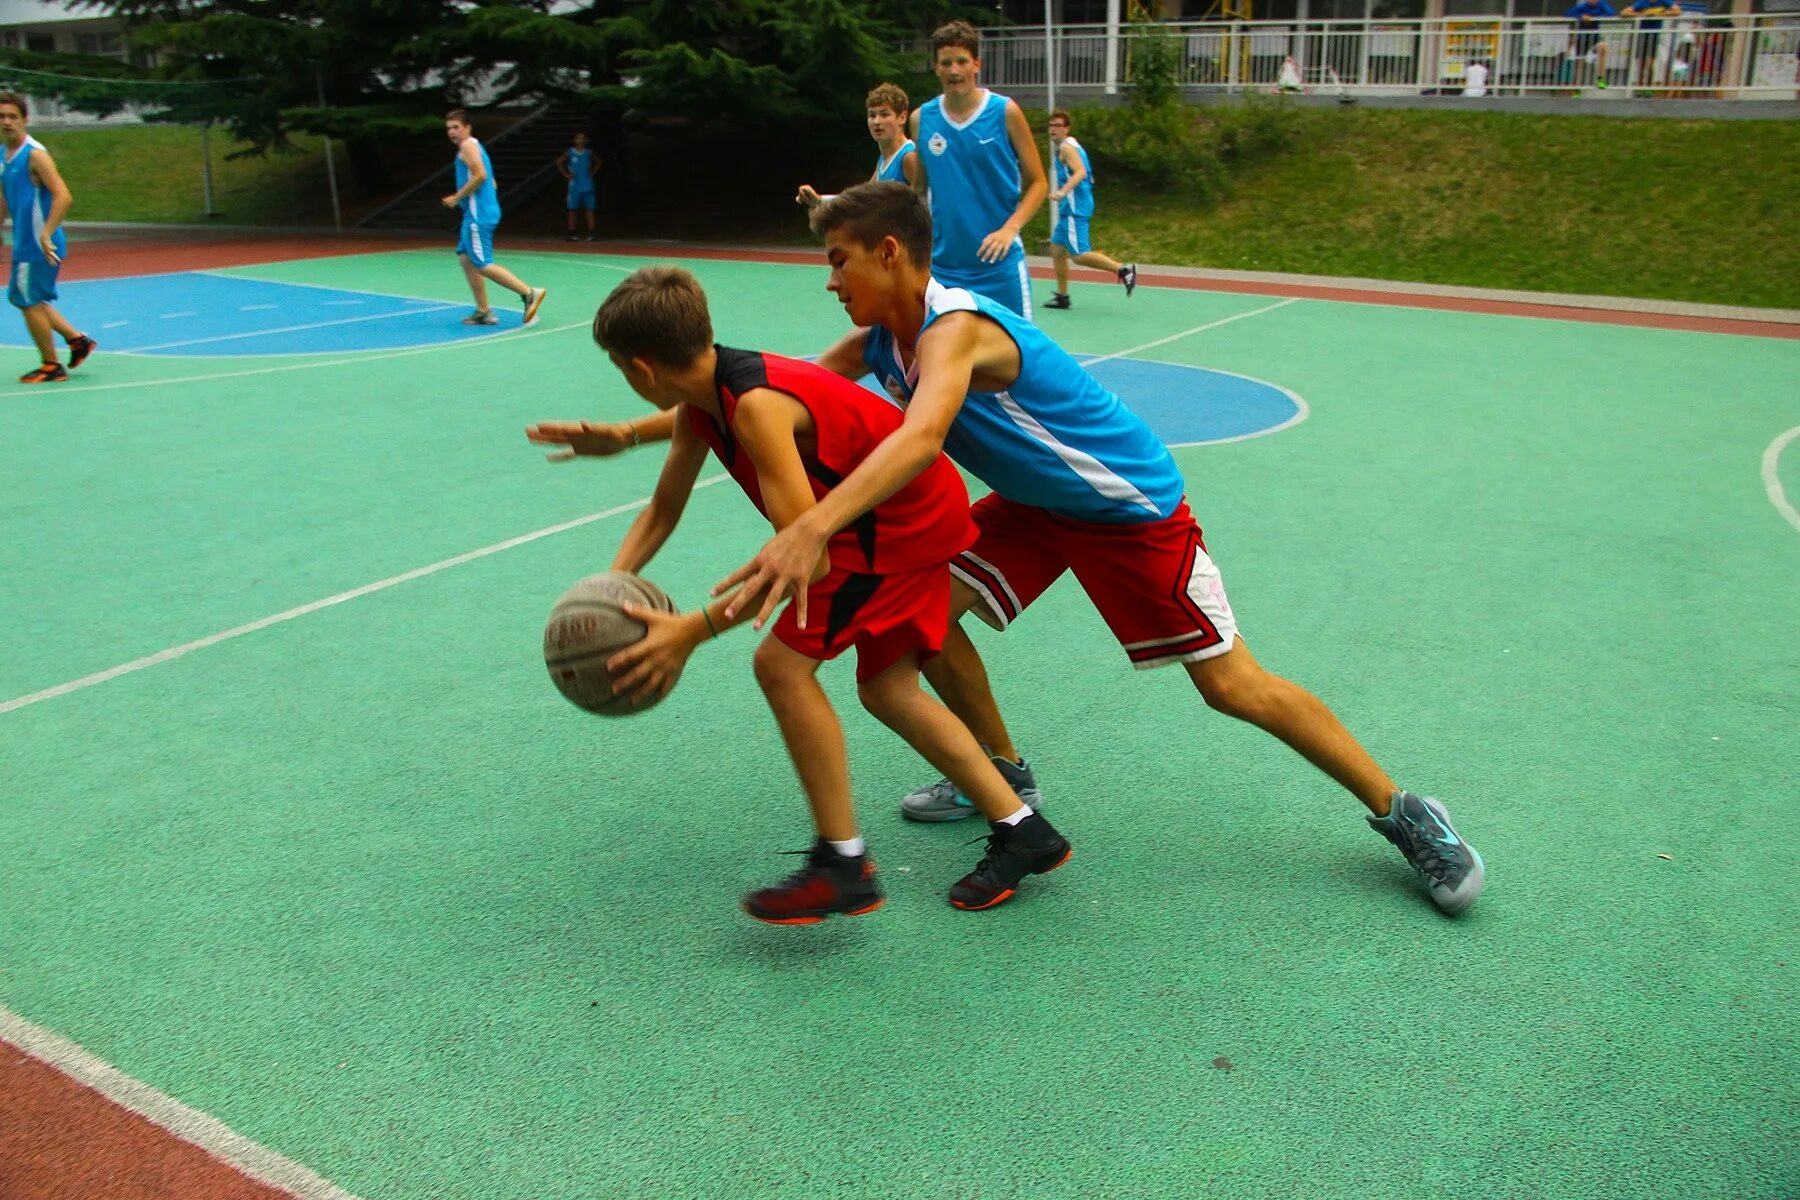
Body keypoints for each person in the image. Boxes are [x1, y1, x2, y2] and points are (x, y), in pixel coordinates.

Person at [710, 182, 1486, 916]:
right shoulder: (882, 339)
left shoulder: (958, 331)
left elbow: (921, 438)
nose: (830, 280)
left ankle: (1407, 814)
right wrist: (652, 422)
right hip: (1035, 505)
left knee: (1232, 686)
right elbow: (791, 390)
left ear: (887, 253)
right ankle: (1005, 778)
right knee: (926, 619)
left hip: (1123, 507)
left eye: (837, 260)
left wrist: (812, 526)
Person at [523, 267, 1072, 921]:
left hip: (896, 529)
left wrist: (691, 631)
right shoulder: (706, 398)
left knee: (780, 665)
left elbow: (804, 565)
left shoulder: (755, 409)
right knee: (889, 689)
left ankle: (843, 864)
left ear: (641, 370)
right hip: (909, 513)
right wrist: (616, 591)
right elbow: (663, 510)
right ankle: (1024, 830)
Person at [907, 20, 1047, 318]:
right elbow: (918, 191)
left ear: (976, 65)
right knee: (943, 360)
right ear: (936, 67)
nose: (954, 70)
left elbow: (1038, 183)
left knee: (1018, 360)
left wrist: (1010, 229)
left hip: (1000, 267)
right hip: (944, 271)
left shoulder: (1004, 112)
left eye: (961, 61)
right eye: (946, 63)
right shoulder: (922, 119)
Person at [0, 92, 94, 384]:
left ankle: (50, 366)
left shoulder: (35, 154)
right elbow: (4, 196)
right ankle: (76, 340)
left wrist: (46, 232)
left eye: (12, 116)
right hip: (24, 242)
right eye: (1, 117)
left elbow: (63, 196)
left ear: (25, 120)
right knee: (25, 298)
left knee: (28, 301)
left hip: (40, 244)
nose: (6, 122)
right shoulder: (4, 154)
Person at [440, 109, 547, 327]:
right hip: (476, 213)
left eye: (456, 127)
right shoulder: (475, 146)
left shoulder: (467, 145)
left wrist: (456, 197)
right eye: (449, 128)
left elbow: (480, 175)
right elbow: (490, 179)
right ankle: (483, 311)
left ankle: (529, 293)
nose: (452, 132)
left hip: (478, 216)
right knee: (465, 257)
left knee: (482, 264)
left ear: (467, 127)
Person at [1044, 110, 1135, 312]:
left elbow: (1080, 172)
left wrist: (1062, 191)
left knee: (1079, 255)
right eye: (1051, 126)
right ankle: (1062, 296)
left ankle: (1124, 270)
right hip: (1073, 207)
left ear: (1066, 129)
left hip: (1074, 209)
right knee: (1057, 250)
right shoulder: (1074, 146)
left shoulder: (1067, 148)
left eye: (1058, 126)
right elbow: (1088, 174)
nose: (1053, 130)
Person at [796, 82, 919, 214]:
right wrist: (819, 200)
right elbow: (862, 199)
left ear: (902, 117)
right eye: (872, 115)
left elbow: (928, 205)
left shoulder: (909, 157)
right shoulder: (884, 160)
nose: (877, 121)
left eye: (884, 115)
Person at [557, 131, 600, 242]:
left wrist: (593, 172)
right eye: (578, 138)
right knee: (572, 209)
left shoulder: (588, 152)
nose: (580, 140)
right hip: (574, 185)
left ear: (585, 141)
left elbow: (598, 162)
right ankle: (571, 232)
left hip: (587, 185)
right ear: (575, 140)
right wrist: (566, 174)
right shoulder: (570, 152)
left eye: (582, 138)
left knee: (589, 209)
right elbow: (559, 162)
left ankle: (592, 232)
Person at [1566, 0, 1616, 88]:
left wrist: (1593, 17)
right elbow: (1568, 13)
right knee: (1579, 63)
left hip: (1595, 38)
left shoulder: (1602, 4)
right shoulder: (1583, 6)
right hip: (1582, 38)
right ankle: (1576, 87)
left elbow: (1610, 13)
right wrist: (1581, 16)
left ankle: (1600, 79)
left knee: (1603, 47)